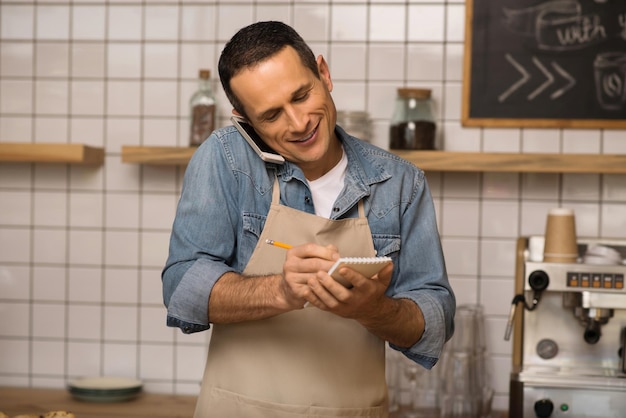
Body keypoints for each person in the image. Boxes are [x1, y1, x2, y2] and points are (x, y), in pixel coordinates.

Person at [162, 20, 455, 418]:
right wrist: (282, 291)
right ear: (243, 117)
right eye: (271, 116)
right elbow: (181, 288)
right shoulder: (225, 160)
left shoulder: (399, 181)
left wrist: (373, 310)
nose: (299, 123)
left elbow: (435, 320)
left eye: (301, 95)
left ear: (324, 72)